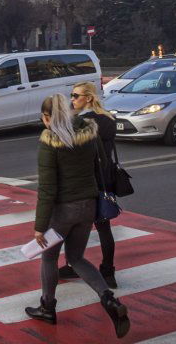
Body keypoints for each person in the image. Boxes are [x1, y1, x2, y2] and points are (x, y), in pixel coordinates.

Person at [25, 94, 129, 338]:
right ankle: (109, 299)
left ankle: (47, 307)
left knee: (49, 257)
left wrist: (39, 227)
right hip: (88, 206)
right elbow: (99, 167)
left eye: (44, 117)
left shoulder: (50, 142)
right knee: (77, 257)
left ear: (49, 117)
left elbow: (47, 189)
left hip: (63, 210)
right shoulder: (89, 135)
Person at [60, 80, 119, 288]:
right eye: (72, 95)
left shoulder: (82, 122)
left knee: (72, 225)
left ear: (88, 98)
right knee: (104, 227)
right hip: (105, 178)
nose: (72, 99)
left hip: (86, 180)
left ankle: (72, 264)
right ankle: (108, 271)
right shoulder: (108, 119)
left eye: (76, 96)